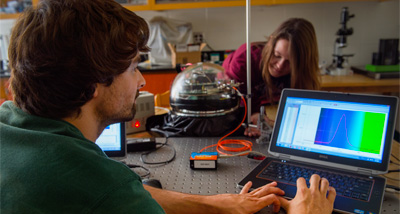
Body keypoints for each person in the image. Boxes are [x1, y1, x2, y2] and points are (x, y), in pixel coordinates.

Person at [0, 0, 335, 213]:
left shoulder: (7, 123)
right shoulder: (105, 191)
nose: (143, 82)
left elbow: (131, 193)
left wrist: (219, 204)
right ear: (93, 87)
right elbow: (114, 194)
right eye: (133, 68)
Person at [223, 18, 320, 136]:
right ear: (270, 43)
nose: (279, 66)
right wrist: (254, 115)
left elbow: (305, 113)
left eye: (290, 63)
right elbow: (235, 109)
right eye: (276, 55)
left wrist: (271, 124)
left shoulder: (303, 74)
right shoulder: (244, 60)